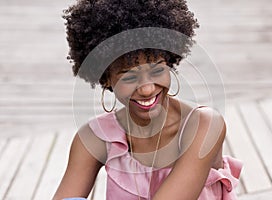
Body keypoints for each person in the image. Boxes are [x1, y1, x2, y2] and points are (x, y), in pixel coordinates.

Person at [53, 0, 242, 199]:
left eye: (157, 69)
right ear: (107, 78)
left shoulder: (205, 125)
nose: (147, 88)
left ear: (169, 61)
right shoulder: (95, 138)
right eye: (129, 76)